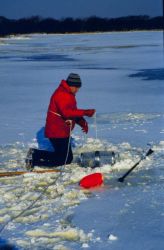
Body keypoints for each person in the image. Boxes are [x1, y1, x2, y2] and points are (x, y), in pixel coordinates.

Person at [26, 73, 95, 169]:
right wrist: (85, 112)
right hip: (56, 131)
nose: (77, 90)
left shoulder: (69, 94)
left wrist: (82, 123)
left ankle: (35, 154)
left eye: (78, 87)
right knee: (64, 159)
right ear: (70, 85)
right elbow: (67, 113)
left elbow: (73, 111)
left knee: (65, 157)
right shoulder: (61, 94)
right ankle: (34, 160)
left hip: (62, 130)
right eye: (76, 87)